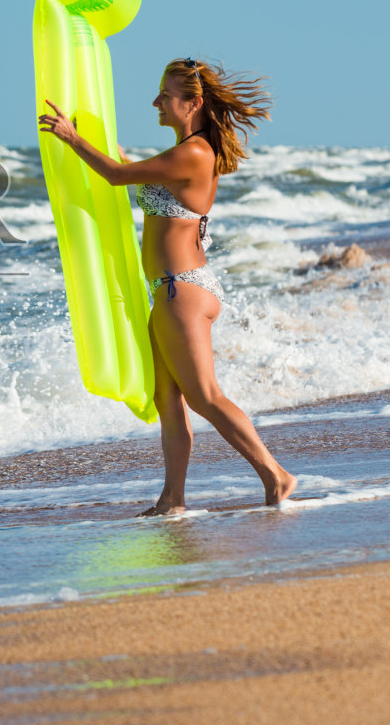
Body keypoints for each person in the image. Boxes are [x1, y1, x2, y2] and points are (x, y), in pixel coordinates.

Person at [38, 57, 295, 514]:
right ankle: (172, 498)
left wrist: (72, 139)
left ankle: (276, 476)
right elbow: (129, 168)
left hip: (184, 291)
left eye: (166, 95)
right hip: (172, 289)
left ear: (192, 103)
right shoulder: (183, 152)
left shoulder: (195, 153)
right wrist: (91, 134)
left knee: (204, 396)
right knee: (168, 399)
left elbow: (117, 176)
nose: (156, 101)